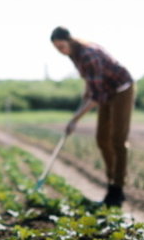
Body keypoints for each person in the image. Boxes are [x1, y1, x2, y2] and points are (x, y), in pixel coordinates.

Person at [50, 26, 134, 208]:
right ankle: (111, 180)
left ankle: (117, 189)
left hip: (121, 89)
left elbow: (96, 97)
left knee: (118, 140)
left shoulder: (88, 54)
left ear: (69, 40)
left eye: (61, 46)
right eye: (57, 48)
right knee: (102, 139)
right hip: (106, 92)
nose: (60, 51)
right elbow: (91, 84)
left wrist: (75, 119)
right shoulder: (74, 55)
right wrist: (84, 98)